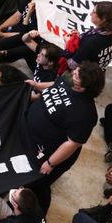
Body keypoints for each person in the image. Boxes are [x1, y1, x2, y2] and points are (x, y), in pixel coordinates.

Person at [26, 62, 105, 212]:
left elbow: (72, 143)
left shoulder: (85, 113)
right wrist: (37, 85)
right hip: (31, 138)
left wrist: (50, 163)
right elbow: (55, 84)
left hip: (50, 154)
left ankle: (38, 214)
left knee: (38, 184)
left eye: (77, 75)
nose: (73, 72)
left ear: (84, 87)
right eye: (76, 71)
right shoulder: (69, 79)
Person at [64, 1, 112, 72]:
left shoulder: (90, 42)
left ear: (103, 19)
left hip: (83, 79)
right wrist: (80, 39)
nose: (90, 14)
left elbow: (72, 65)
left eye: (94, 12)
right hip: (98, 75)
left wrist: (68, 44)